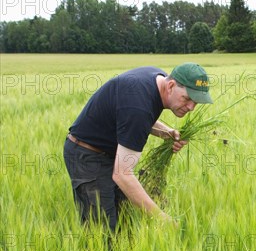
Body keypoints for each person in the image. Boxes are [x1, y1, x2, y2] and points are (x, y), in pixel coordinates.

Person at [63, 62, 213, 232]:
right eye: (187, 99)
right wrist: (162, 218)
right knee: (102, 230)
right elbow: (123, 174)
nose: (191, 108)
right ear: (171, 85)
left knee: (125, 221)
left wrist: (167, 132)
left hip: (110, 153)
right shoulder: (138, 106)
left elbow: (133, 115)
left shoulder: (157, 79)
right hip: (87, 156)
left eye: (196, 102)